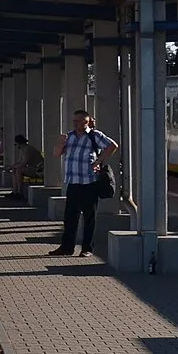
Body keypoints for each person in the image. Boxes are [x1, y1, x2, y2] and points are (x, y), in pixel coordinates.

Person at [52, 108, 120, 256]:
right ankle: (67, 247)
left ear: (86, 121)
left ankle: (87, 249)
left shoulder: (94, 136)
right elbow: (56, 154)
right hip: (73, 181)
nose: (75, 124)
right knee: (70, 217)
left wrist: (99, 160)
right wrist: (59, 143)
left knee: (89, 217)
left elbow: (113, 145)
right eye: (74, 121)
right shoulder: (69, 136)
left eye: (78, 121)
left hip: (90, 182)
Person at [6, 134, 44, 200]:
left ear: (19, 143)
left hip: (38, 170)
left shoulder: (28, 150)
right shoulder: (23, 150)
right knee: (15, 169)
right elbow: (19, 162)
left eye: (16, 144)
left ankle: (20, 193)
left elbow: (23, 163)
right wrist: (12, 166)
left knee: (19, 170)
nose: (16, 146)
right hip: (32, 168)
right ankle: (15, 191)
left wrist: (12, 167)